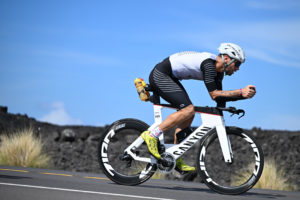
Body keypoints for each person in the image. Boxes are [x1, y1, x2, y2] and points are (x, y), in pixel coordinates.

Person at [141, 43, 256, 173]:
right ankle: (152, 135)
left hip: (170, 77)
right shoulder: (209, 65)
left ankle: (173, 155)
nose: (237, 69)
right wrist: (241, 92)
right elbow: (214, 94)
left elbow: (219, 98)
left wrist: (241, 98)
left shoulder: (218, 74)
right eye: (237, 64)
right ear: (227, 59)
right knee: (188, 109)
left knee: (189, 113)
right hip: (161, 75)